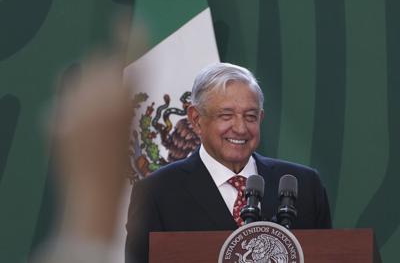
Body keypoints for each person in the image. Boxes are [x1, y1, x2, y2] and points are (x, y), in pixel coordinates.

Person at [125, 62, 331, 263]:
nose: (241, 128)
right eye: (226, 116)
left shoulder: (303, 184)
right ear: (196, 119)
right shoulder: (156, 192)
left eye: (250, 116)